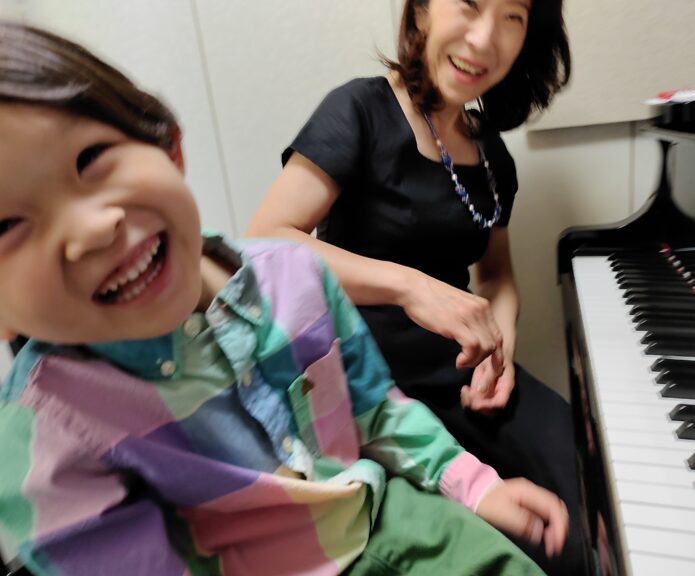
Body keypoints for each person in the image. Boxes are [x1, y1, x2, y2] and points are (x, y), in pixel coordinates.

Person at [0, 22, 570, 576]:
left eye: (89, 159)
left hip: (384, 500)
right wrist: (411, 286)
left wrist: (479, 465)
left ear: (169, 146)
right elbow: (276, 226)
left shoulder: (299, 276)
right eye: (6, 225)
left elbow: (386, 394)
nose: (91, 231)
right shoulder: (44, 431)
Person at [248, 0, 587, 573]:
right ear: (422, 10)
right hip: (370, 388)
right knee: (526, 546)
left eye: (513, 17)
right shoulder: (359, 108)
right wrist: (411, 287)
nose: (485, 38)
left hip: (463, 377)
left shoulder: (491, 151)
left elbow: (497, 275)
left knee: (589, 488)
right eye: (469, 4)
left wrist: (500, 351)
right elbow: (266, 241)